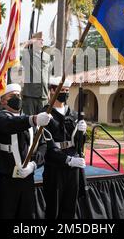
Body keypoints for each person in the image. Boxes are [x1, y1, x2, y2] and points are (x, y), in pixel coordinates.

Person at [0, 83, 51, 219]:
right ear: (2, 100)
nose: (17, 98)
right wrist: (34, 119)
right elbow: (10, 125)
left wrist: (34, 165)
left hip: (27, 179)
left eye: (19, 95)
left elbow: (42, 145)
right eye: (12, 96)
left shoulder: (27, 120)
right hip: (5, 181)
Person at [42, 77, 87, 219]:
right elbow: (47, 146)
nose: (65, 93)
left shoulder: (73, 114)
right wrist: (67, 160)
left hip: (73, 166)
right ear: (52, 91)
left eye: (67, 91)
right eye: (62, 90)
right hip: (55, 167)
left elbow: (79, 144)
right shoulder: (45, 115)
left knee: (70, 207)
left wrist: (83, 133)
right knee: (54, 209)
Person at [21, 32, 52, 115]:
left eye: (42, 40)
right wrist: (28, 42)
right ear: (33, 41)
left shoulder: (47, 56)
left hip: (43, 95)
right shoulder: (26, 54)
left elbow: (48, 74)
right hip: (30, 94)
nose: (41, 41)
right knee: (29, 122)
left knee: (42, 122)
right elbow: (16, 52)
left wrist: (48, 91)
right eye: (38, 39)